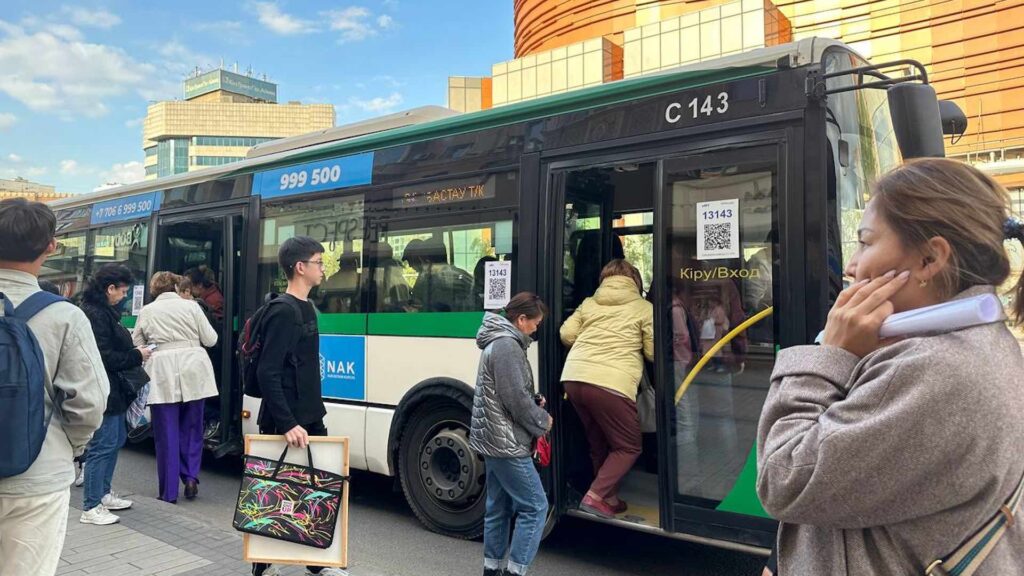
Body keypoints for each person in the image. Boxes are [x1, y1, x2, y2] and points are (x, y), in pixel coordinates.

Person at [757, 158, 1024, 575]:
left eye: (865, 242)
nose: (850, 266)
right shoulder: (980, 343)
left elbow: (782, 478)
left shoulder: (933, 370)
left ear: (929, 260)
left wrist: (831, 351)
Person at [0, 199, 108, 576]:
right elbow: (90, 403)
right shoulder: (64, 315)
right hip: (36, 479)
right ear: (51, 247)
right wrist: (70, 448)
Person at [251, 236, 346, 576]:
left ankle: (316, 563)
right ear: (300, 267)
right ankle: (262, 563)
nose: (323, 268)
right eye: (319, 262)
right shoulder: (284, 312)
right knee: (276, 489)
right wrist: (288, 422)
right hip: (287, 420)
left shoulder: (306, 307)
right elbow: (267, 371)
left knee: (316, 487)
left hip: (310, 414)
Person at [560, 259, 654, 518]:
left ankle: (610, 498)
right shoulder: (644, 308)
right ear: (635, 281)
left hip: (574, 378)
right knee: (629, 446)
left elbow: (566, 335)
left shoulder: (589, 303)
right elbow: (653, 352)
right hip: (611, 383)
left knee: (598, 440)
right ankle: (596, 495)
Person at [469, 292, 552, 576]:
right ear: (521, 319)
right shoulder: (507, 346)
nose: (536, 329)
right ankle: (515, 572)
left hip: (493, 438)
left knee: (498, 507)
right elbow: (514, 399)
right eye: (535, 323)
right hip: (506, 442)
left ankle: (493, 569)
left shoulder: (498, 341)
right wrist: (542, 420)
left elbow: (508, 393)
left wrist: (532, 399)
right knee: (536, 507)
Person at [133, 272, 218, 503]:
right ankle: (190, 477)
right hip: (194, 370)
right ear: (175, 286)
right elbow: (211, 339)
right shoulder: (191, 307)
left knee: (166, 433)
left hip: (162, 372)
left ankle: (168, 492)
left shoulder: (147, 311)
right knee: (193, 427)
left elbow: (137, 344)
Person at [78, 263, 152, 525]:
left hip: (114, 390)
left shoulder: (104, 312)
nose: (124, 296)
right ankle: (91, 505)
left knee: (115, 440)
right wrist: (137, 354)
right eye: (122, 291)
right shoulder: (96, 314)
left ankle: (104, 494)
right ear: (110, 289)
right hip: (104, 390)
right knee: (103, 445)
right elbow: (104, 356)